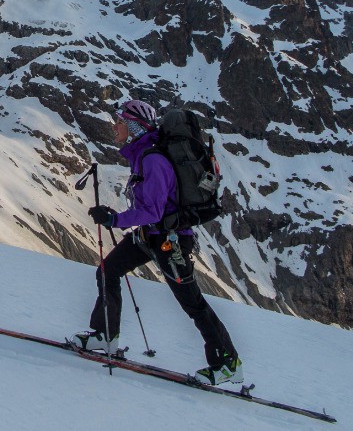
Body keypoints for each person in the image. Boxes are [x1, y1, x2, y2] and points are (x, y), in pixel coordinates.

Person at [67, 99, 243, 385]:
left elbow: (154, 210)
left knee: (192, 303)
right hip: (151, 235)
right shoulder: (142, 154)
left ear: (135, 125)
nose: (115, 127)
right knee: (108, 271)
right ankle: (105, 335)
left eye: (120, 121)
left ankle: (228, 362)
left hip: (170, 241)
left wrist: (114, 220)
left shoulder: (153, 159)